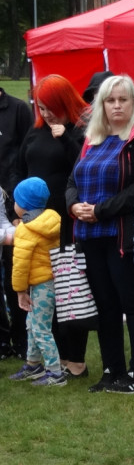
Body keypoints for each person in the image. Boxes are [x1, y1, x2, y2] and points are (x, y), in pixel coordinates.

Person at [67, 74, 134, 395]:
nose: (116, 105)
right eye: (110, 100)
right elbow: (72, 181)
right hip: (90, 237)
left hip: (124, 236)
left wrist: (100, 210)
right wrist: (74, 205)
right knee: (104, 305)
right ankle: (112, 371)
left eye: (123, 99)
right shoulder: (91, 138)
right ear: (101, 104)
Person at [17, 75, 91, 380]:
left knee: (68, 288)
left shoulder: (79, 131)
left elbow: (84, 168)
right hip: (33, 224)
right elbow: (19, 169)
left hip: (65, 221)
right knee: (42, 286)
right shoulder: (34, 134)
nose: (46, 114)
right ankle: (52, 356)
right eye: (41, 107)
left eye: (51, 108)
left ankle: (76, 360)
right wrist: (16, 208)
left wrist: (66, 138)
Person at [8, 177, 64, 386]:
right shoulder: (51, 219)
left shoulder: (26, 229)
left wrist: (20, 291)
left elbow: (20, 264)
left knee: (40, 328)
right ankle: (33, 364)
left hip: (39, 284)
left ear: (22, 205)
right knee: (33, 324)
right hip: (52, 280)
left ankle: (55, 372)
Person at [0, 85, 33, 361]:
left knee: (16, 273)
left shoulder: (18, 109)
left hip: (14, 204)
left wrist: (19, 206)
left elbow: (25, 156)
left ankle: (22, 339)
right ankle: (2, 338)